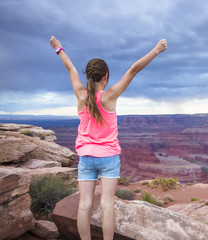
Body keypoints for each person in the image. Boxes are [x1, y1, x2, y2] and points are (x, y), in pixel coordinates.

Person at [49, 36, 167, 240]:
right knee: (107, 205)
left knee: (84, 206)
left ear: (89, 77)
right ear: (106, 76)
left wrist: (58, 48)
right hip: (109, 158)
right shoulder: (110, 95)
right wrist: (156, 50)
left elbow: (71, 69)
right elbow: (133, 69)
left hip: (86, 157)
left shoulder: (80, 95)